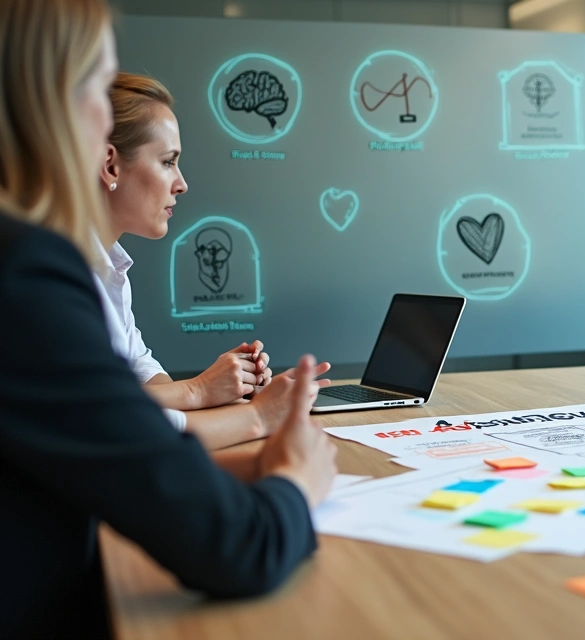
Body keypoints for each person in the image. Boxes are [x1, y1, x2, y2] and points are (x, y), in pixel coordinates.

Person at [0, 0, 337, 636]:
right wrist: (297, 481)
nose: (182, 183)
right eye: (100, 85)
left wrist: (256, 461)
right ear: (54, 103)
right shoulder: (25, 275)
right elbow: (235, 548)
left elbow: (114, 453)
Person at [95, 72, 329, 449]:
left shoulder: (109, 268)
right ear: (110, 166)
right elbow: (106, 415)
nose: (182, 183)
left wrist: (223, 389)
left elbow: (139, 374)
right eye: (168, 161)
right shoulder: (62, 278)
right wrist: (226, 402)